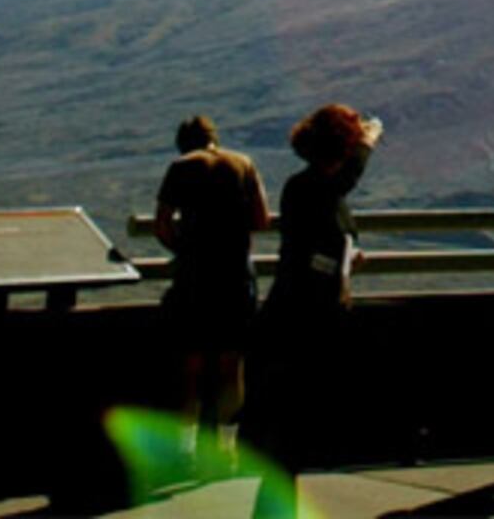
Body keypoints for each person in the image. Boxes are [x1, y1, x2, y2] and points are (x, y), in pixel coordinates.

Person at [150, 113, 273, 475]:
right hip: (236, 273)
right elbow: (261, 219)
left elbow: (162, 222)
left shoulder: (181, 167)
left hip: (194, 275)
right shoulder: (243, 164)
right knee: (231, 364)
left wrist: (182, 248)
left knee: (192, 363)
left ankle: (187, 448)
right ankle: (227, 447)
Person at [263, 102, 380, 471]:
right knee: (292, 421)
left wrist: (347, 256)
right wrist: (368, 142)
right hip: (300, 318)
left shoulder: (319, 191)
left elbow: (324, 243)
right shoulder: (313, 189)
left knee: (295, 426)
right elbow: (348, 178)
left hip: (315, 313)